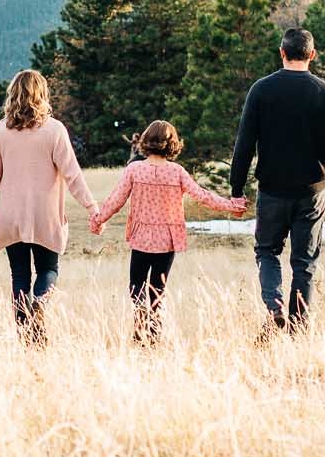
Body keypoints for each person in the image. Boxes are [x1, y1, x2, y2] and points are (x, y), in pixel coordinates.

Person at [229, 27, 325, 332]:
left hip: (271, 189)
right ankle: (298, 327)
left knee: (267, 251)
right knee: (304, 261)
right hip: (311, 192)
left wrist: (236, 189)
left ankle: (274, 307)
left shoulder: (261, 90)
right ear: (312, 55)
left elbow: (244, 143)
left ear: (282, 53)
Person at [90, 120, 246, 344]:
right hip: (167, 240)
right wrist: (233, 205)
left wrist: (98, 219)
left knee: (136, 286)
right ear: (171, 144)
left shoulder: (134, 169)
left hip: (142, 237)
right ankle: (153, 332)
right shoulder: (177, 172)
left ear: (146, 141)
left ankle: (140, 325)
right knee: (157, 288)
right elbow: (203, 196)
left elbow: (117, 199)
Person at [0, 69, 100, 345]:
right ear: (42, 95)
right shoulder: (54, 130)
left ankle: (28, 339)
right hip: (46, 215)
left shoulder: (1, 130)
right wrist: (92, 207)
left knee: (19, 274)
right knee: (48, 270)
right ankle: (41, 301)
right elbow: (73, 175)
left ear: (13, 95)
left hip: (12, 216)